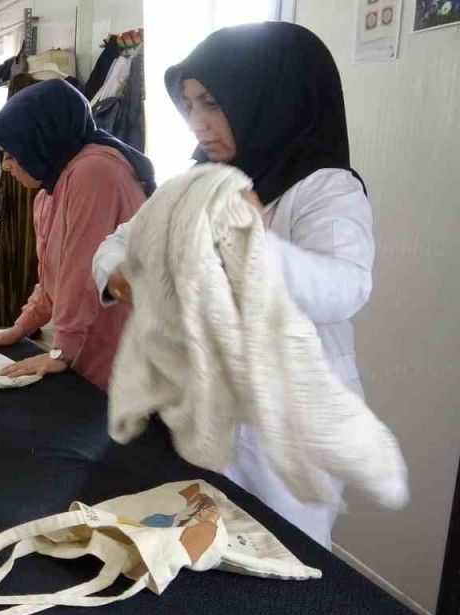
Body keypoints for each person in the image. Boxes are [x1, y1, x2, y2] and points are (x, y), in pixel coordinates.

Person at [92, 22, 374, 547]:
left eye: (213, 104)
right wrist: (121, 276)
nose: (196, 123)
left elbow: (346, 287)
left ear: (269, 99)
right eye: (189, 105)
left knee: (280, 557)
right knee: (198, 549)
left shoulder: (325, 189)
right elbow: (118, 243)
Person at [0, 79, 155, 390]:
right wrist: (19, 328)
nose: (7, 167)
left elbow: (82, 273)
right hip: (89, 345)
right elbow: (54, 281)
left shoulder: (93, 172)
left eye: (12, 154)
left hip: (119, 348)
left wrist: (61, 351)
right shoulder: (48, 194)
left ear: (41, 139)